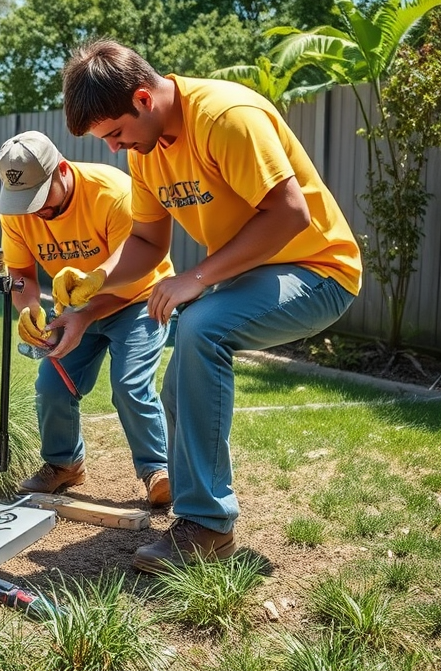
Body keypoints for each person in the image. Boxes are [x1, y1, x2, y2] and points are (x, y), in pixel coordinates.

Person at [58, 38, 362, 573]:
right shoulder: (148, 152)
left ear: (144, 99)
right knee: (181, 380)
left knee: (200, 326)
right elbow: (149, 244)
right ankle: (193, 508)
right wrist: (94, 285)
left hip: (320, 270)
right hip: (254, 273)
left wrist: (197, 277)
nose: (112, 149)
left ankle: (207, 525)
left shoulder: (226, 117)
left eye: (115, 134)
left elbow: (289, 214)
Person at [0, 130, 173, 506]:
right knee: (52, 387)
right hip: (75, 307)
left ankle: (159, 471)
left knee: (129, 385)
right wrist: (29, 309)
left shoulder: (114, 194)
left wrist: (87, 312)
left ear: (61, 169)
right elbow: (21, 273)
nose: (35, 211)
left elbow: (139, 271)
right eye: (25, 201)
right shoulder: (16, 210)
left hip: (139, 299)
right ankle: (64, 465)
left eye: (41, 199)